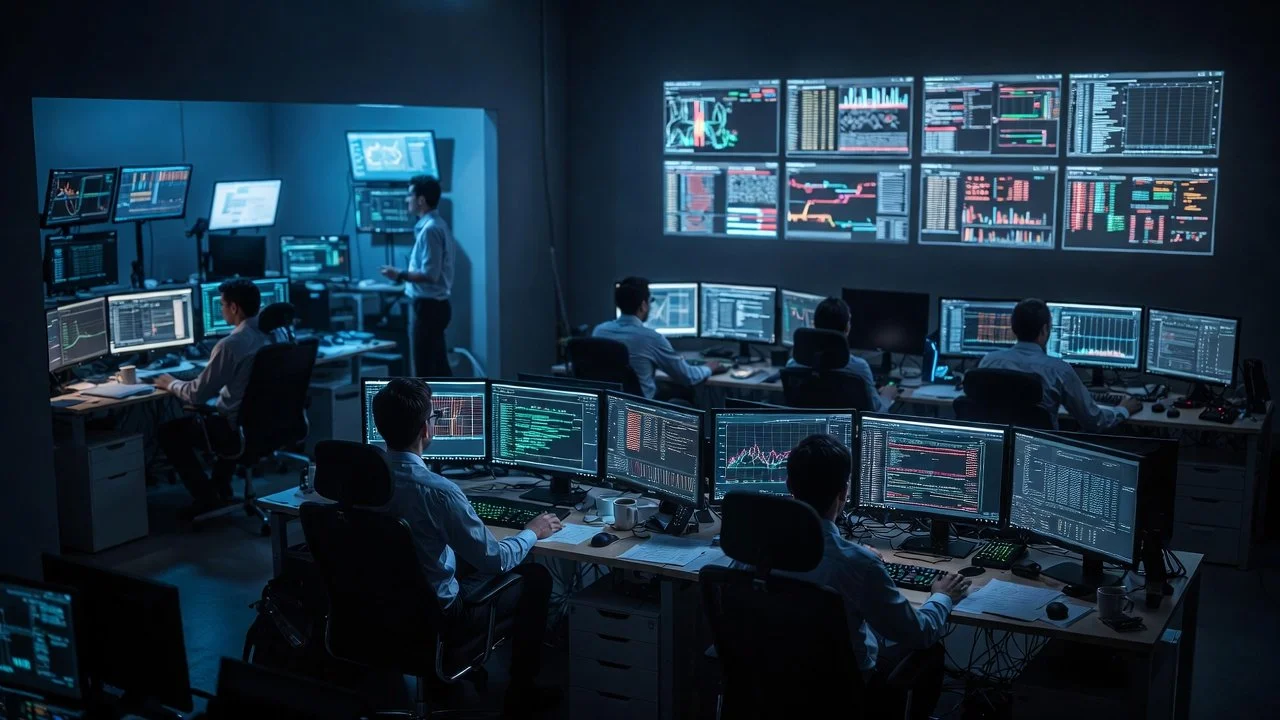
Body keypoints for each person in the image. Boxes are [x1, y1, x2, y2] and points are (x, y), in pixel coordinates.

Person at [371, 378, 561, 713]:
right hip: (440, 617)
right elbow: (497, 561)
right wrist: (533, 530)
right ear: (426, 430)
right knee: (535, 578)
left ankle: (436, 683)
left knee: (453, 559)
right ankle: (521, 695)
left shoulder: (363, 479)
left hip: (379, 608)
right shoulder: (439, 492)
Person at [776, 434, 969, 720]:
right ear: (843, 493)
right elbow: (920, 634)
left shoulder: (755, 546)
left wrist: (854, 553)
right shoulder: (858, 565)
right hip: (843, 691)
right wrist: (942, 595)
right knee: (930, 651)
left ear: (790, 485)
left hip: (774, 680)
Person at [155, 279, 274, 517]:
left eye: (222, 305)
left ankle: (206, 497)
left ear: (234, 308)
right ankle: (221, 487)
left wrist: (171, 382)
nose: (220, 310)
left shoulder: (230, 345)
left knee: (169, 432)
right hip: (264, 423)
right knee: (226, 413)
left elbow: (196, 395)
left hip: (235, 429)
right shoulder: (272, 334)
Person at [979, 298, 1141, 431]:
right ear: (1044, 330)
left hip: (999, 448)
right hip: (1038, 451)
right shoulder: (1058, 370)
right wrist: (1124, 409)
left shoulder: (989, 361)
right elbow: (1094, 421)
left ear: (1013, 329)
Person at [592, 277, 725, 400]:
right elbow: (689, 376)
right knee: (686, 392)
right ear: (643, 305)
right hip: (641, 409)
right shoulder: (651, 338)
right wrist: (709, 367)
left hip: (609, 404)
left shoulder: (599, 331)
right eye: (651, 301)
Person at [380, 175, 456, 377]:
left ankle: (428, 409)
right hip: (434, 306)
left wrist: (399, 274)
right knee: (438, 367)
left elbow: (430, 274)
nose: (407, 200)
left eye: (409, 195)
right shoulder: (436, 225)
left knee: (426, 371)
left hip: (429, 308)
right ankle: (446, 408)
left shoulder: (430, 230)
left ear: (421, 200)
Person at [788, 297, 899, 411]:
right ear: (847, 328)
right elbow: (875, 415)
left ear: (815, 325)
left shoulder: (794, 365)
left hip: (810, 426)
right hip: (847, 427)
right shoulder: (859, 368)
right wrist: (887, 396)